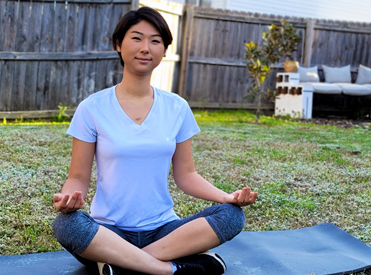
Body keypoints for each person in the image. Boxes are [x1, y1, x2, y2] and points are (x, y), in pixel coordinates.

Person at [51, 6, 258, 275]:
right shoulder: (92, 107)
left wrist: (227, 197)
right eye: (136, 38)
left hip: (163, 232)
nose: (145, 48)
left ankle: (121, 264)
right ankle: (170, 270)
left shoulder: (177, 107)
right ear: (118, 44)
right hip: (109, 230)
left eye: (155, 41)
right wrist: (68, 198)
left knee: (232, 216)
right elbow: (78, 176)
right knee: (67, 225)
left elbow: (186, 175)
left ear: (164, 50)